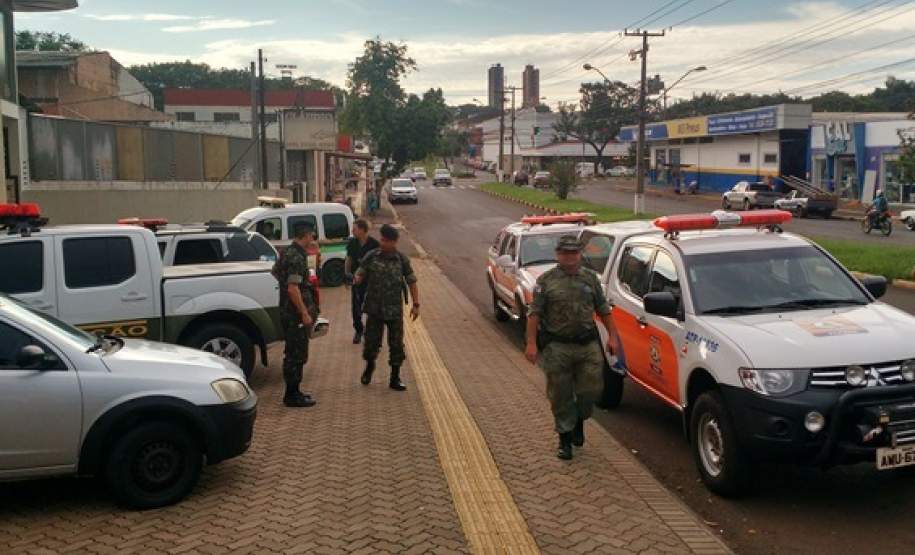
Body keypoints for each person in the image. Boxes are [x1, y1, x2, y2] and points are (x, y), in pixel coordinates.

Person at [525, 235, 615, 460]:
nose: (570, 257)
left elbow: (603, 308)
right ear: (558, 255)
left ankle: (579, 420)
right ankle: (565, 440)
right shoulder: (545, 281)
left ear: (579, 254)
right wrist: (531, 343)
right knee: (561, 394)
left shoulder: (590, 279)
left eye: (574, 253)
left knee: (591, 391)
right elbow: (534, 313)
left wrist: (613, 337)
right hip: (557, 347)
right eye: (565, 253)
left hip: (587, 345)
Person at [354, 224, 420, 391]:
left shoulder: (402, 260)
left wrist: (416, 304)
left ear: (395, 242)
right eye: (382, 239)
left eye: (386, 240)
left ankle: (395, 377)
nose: (382, 243)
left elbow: (412, 281)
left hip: (394, 311)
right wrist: (357, 277)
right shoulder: (372, 256)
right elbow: (361, 271)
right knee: (371, 343)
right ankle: (369, 367)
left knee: (396, 344)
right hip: (374, 309)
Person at [274, 222, 319, 408]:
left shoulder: (287, 252)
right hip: (295, 314)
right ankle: (292, 395)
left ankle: (294, 392)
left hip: (287, 310)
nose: (312, 240)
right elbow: (293, 289)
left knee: (293, 352)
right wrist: (304, 313)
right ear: (306, 235)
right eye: (312, 236)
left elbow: (276, 272)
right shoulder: (297, 257)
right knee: (296, 354)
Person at [345, 219, 380, 344]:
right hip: (356, 281)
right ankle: (359, 330)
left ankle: (371, 332)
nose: (352, 231)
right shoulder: (352, 243)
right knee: (356, 308)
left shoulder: (374, 244)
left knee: (372, 308)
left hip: (370, 282)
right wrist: (347, 275)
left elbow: (378, 264)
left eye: (354, 229)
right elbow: (348, 259)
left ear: (362, 229)